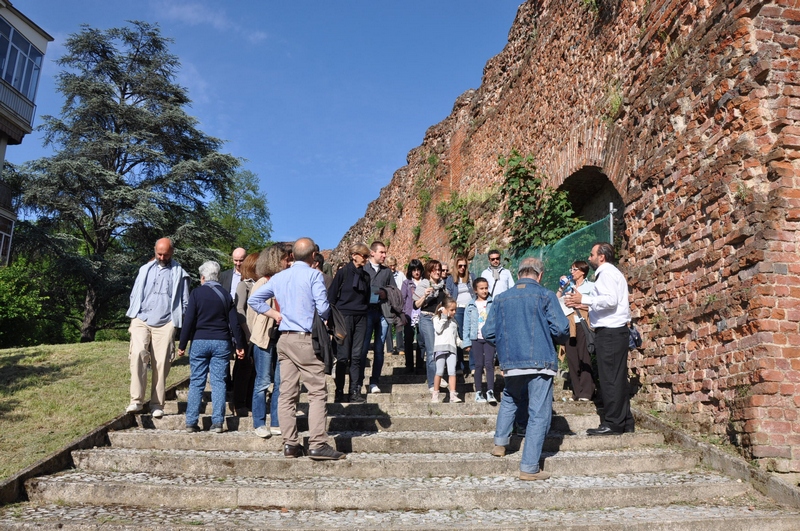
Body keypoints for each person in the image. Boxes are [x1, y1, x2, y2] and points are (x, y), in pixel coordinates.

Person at [248, 237, 345, 460]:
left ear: (293, 256)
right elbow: (323, 308)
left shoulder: (280, 277)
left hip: (284, 339)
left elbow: (255, 300)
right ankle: (318, 444)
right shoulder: (314, 275)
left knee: (286, 394)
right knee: (317, 393)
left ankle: (290, 444)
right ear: (313, 256)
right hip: (306, 339)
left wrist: (274, 314)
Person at [483, 257, 569, 481]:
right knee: (538, 413)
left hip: (511, 362)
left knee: (510, 398)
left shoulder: (500, 298)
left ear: (519, 273)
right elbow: (561, 329)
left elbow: (488, 333)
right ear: (539, 275)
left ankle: (500, 444)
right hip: (540, 361)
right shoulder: (546, 295)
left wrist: (506, 348)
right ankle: (529, 467)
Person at [564, 242, 634, 435]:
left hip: (610, 332)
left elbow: (610, 301)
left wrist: (583, 300)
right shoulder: (612, 273)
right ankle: (625, 420)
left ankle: (613, 423)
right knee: (617, 377)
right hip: (615, 331)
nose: (589, 257)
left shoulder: (605, 273)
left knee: (610, 378)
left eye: (592, 254)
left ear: (601, 256)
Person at [125, 238, 190, 418]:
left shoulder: (180, 273)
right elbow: (135, 292)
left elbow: (185, 302)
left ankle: (157, 404)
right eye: (159, 253)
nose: (162, 257)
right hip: (141, 319)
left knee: (161, 363)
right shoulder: (144, 269)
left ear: (172, 252)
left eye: (166, 254)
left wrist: (176, 321)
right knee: (138, 354)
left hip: (166, 322)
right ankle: (136, 400)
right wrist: (135, 312)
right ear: (154, 250)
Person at [178, 261, 246, 433]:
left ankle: (191, 422)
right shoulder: (225, 294)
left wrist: (182, 344)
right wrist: (239, 344)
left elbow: (189, 320)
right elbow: (234, 323)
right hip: (221, 342)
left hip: (200, 340)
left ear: (203, 277)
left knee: (196, 382)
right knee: (218, 382)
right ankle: (217, 422)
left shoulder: (196, 293)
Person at [247, 244, 291, 438]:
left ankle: (276, 421)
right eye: (286, 259)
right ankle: (259, 422)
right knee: (263, 381)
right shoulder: (263, 282)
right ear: (275, 260)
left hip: (283, 336)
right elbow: (251, 313)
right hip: (264, 337)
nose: (290, 263)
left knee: (281, 383)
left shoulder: (288, 282)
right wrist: (257, 334)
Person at [328, 242, 371, 404]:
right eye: (364, 256)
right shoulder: (343, 273)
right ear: (354, 256)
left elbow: (366, 299)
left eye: (367, 256)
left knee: (357, 355)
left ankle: (354, 391)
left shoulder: (366, 276)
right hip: (344, 317)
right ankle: (339, 391)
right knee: (343, 357)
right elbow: (331, 297)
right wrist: (330, 320)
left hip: (361, 318)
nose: (366, 259)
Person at [556, 260, 596, 402]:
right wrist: (561, 289)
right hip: (569, 325)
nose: (571, 272)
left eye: (574, 269)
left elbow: (596, 305)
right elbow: (555, 302)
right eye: (571, 269)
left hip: (583, 324)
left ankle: (587, 392)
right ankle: (577, 392)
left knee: (584, 357)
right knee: (572, 358)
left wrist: (578, 304)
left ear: (582, 272)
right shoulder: (569, 288)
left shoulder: (591, 286)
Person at [359, 241, 393, 394]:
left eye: (385, 253)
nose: (384, 255)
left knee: (379, 349)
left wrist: (386, 293)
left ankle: (374, 382)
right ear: (372, 253)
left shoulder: (387, 272)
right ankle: (358, 382)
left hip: (382, 312)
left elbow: (395, 291)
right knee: (363, 348)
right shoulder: (363, 269)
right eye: (381, 252)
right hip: (366, 313)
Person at [230, 252, 259, 415]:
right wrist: (247, 332)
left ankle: (249, 401)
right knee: (244, 369)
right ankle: (239, 403)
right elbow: (239, 309)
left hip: (259, 334)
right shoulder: (244, 285)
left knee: (254, 370)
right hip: (247, 333)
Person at [413, 259, 447, 390]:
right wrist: (424, 296)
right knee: (432, 350)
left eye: (439, 270)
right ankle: (433, 383)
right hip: (426, 319)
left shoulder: (443, 286)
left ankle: (437, 378)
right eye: (435, 270)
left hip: (439, 320)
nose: (438, 272)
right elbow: (415, 305)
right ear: (429, 272)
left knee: (440, 350)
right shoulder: (424, 284)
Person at [463, 277, 496, 404]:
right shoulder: (470, 305)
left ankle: (490, 391)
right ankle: (478, 392)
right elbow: (466, 325)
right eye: (481, 288)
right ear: (475, 290)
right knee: (478, 365)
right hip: (476, 338)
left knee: (489, 364)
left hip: (489, 338)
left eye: (486, 288)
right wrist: (466, 342)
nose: (484, 291)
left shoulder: (493, 303)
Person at [445, 256, 475, 375]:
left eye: (464, 266)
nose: (462, 268)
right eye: (460, 266)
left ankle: (473, 366)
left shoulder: (471, 277)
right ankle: (460, 365)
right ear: (456, 267)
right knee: (459, 336)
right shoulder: (451, 279)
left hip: (471, 308)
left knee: (472, 335)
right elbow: (448, 294)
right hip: (458, 309)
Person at [431, 296, 462, 403]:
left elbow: (456, 337)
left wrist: (463, 344)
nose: (454, 312)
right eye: (452, 310)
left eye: (455, 310)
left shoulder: (454, 322)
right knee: (439, 371)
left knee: (452, 371)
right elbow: (438, 330)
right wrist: (444, 316)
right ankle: (435, 394)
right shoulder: (437, 319)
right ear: (444, 309)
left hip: (452, 349)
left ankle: (453, 394)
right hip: (440, 348)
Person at [401, 259, 425, 374]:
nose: (416, 272)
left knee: (421, 341)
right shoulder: (407, 283)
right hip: (409, 315)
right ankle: (409, 365)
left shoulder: (425, 282)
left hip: (423, 314)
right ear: (410, 271)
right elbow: (402, 299)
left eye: (418, 270)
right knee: (408, 341)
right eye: (414, 270)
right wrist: (403, 315)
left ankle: (420, 365)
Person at [385, 256, 406, 356]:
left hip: (398, 303)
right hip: (388, 303)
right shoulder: (384, 275)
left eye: (394, 265)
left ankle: (400, 348)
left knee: (399, 325)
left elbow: (405, 286)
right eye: (390, 266)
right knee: (388, 326)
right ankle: (389, 349)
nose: (392, 268)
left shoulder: (400, 275)